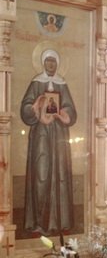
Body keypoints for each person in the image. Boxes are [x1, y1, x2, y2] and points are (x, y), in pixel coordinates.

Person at [20, 49, 77, 235]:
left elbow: (70, 109)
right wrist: (36, 106)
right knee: (41, 175)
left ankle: (60, 222)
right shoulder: (36, 82)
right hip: (41, 136)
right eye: (48, 61)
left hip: (59, 136)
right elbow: (25, 108)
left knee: (60, 174)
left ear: (57, 63)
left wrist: (63, 114)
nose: (51, 64)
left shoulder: (62, 83)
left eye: (53, 61)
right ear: (43, 63)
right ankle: (39, 222)